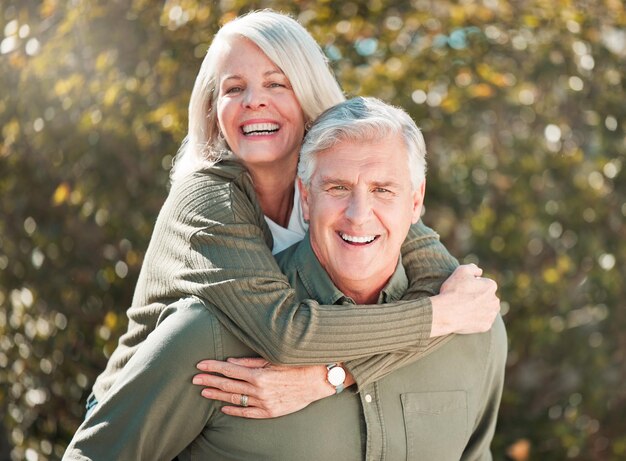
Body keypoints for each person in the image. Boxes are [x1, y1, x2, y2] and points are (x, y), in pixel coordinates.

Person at [64, 10, 500, 458]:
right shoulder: (206, 200)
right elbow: (288, 336)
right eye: (234, 88)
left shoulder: (341, 182)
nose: (254, 100)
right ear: (214, 111)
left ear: (308, 95)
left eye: (276, 83)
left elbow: (449, 295)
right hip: (142, 407)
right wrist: (436, 319)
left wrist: (332, 377)